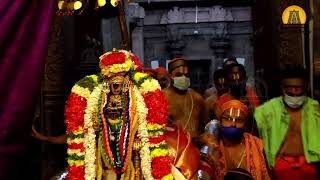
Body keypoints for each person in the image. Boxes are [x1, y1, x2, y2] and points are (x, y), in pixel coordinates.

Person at [64, 49, 173, 180]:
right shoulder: (98, 97)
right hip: (105, 155)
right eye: (112, 78)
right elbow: (91, 129)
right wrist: (96, 125)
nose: (116, 83)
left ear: (128, 78)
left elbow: (144, 124)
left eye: (121, 77)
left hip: (132, 156)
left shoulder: (136, 96)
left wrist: (137, 139)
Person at [254, 64, 320, 180]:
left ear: (306, 87)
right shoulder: (267, 111)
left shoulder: (316, 110)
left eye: (298, 88)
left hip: (310, 168)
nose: (294, 92)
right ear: (282, 88)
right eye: (290, 88)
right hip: (280, 169)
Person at [199, 100, 270, 180]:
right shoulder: (211, 145)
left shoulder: (256, 145)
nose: (233, 124)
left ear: (245, 124)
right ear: (221, 121)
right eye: (228, 119)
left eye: (239, 120)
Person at [163, 57, 208, 137]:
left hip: (194, 145)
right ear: (170, 76)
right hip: (171, 146)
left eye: (186, 75)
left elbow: (205, 126)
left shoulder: (197, 98)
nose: (184, 78)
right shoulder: (161, 97)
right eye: (179, 75)